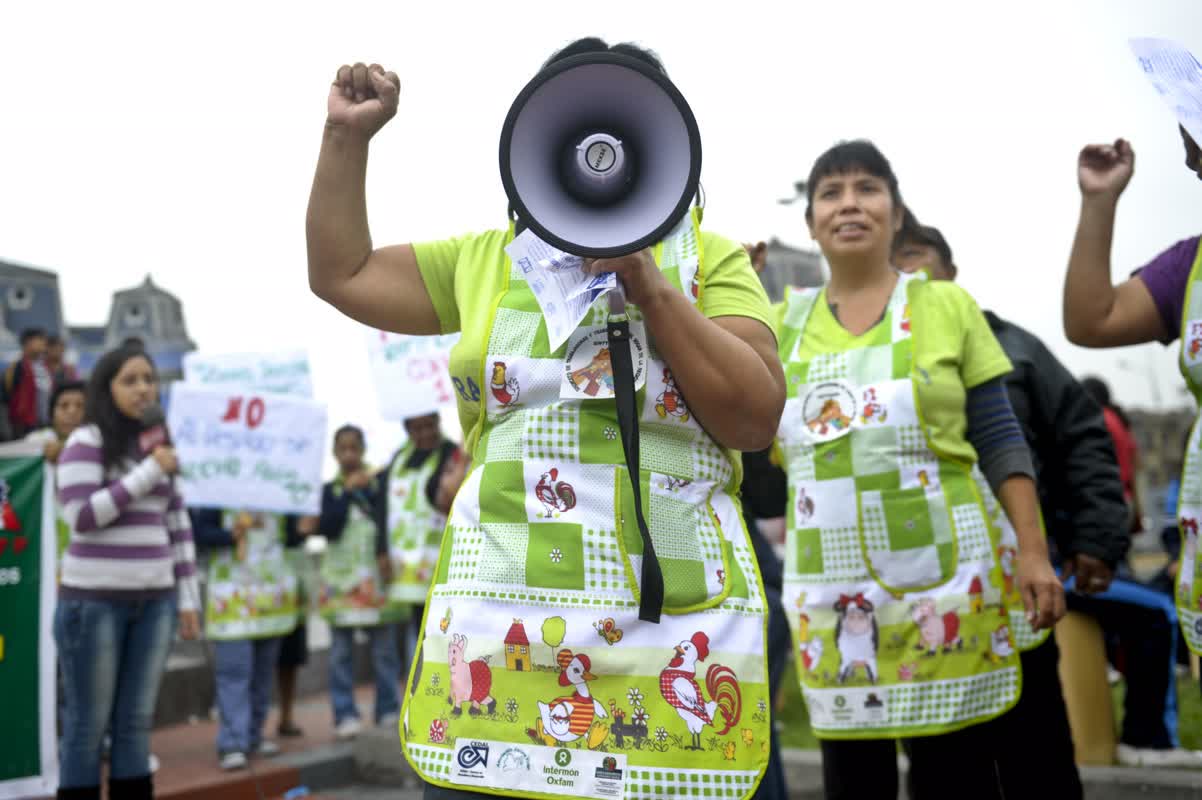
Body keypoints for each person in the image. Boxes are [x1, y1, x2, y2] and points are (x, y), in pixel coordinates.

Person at [306, 38, 784, 800]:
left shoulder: (710, 259)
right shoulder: (483, 259)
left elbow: (755, 417)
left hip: (667, 626)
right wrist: (345, 137)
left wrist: (651, 286)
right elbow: (343, 272)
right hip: (502, 625)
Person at [775, 140, 1065, 800]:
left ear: (897, 213)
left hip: (947, 587)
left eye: (867, 188)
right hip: (832, 595)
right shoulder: (778, 324)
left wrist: (1034, 553)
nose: (849, 203)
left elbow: (999, 436)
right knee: (854, 783)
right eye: (830, 192)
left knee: (955, 778)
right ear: (811, 222)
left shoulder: (946, 306)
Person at [896, 215, 1198, 772]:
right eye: (895, 263)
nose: (906, 273)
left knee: (1036, 743)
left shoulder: (1014, 347)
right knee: (942, 756)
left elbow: (1082, 436)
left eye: (915, 256)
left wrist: (1097, 539)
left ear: (951, 271)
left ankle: (1143, 738)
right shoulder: (868, 362)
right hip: (921, 589)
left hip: (1026, 577)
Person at [1061, 127, 1202, 659]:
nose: (1190, 159)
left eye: (1196, 141)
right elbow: (1091, 320)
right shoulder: (1190, 266)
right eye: (1188, 145)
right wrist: (1099, 202)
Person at [54, 346, 200, 800]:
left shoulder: (159, 445)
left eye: (149, 379)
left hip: (156, 601)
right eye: (130, 380)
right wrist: (149, 471)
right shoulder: (86, 441)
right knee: (87, 725)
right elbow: (82, 516)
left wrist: (188, 598)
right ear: (107, 388)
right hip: (93, 603)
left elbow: (177, 522)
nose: (143, 389)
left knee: (136, 723)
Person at [191, 507, 301, 770]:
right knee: (234, 673)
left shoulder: (279, 493)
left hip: (271, 598)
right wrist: (230, 534)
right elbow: (199, 532)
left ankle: (254, 735)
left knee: (262, 674)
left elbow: (292, 536)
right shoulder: (219, 492)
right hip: (232, 601)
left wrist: (305, 528)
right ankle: (232, 743)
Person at [317, 425, 403, 740]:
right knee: (340, 653)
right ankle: (345, 714)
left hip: (376, 580)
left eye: (354, 448)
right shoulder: (330, 491)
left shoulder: (379, 483)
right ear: (335, 453)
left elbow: (388, 518)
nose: (349, 454)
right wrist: (346, 493)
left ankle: (387, 708)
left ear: (363, 449)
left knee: (384, 651)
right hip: (340, 584)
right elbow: (328, 527)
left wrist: (367, 489)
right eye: (343, 449)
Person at [376, 412, 458, 683]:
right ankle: (418, 684)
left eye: (429, 426)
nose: (425, 434)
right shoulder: (398, 460)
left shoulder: (451, 454)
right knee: (416, 625)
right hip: (406, 564)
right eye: (417, 429)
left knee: (441, 625)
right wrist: (381, 551)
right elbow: (381, 507)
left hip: (442, 557)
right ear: (407, 429)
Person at [1080, 376, 1143, 534]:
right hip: (1124, 501)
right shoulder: (1118, 421)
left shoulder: (1096, 420)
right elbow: (1136, 467)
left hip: (1106, 504)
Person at [276, 514, 318, 739]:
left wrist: (305, 528)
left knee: (290, 656)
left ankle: (286, 715)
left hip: (293, 578)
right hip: (256, 582)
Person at [6, 327, 52, 438]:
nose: (44, 343)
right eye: (39, 339)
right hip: (24, 425)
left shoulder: (45, 367)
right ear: (27, 342)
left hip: (44, 422)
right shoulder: (17, 367)